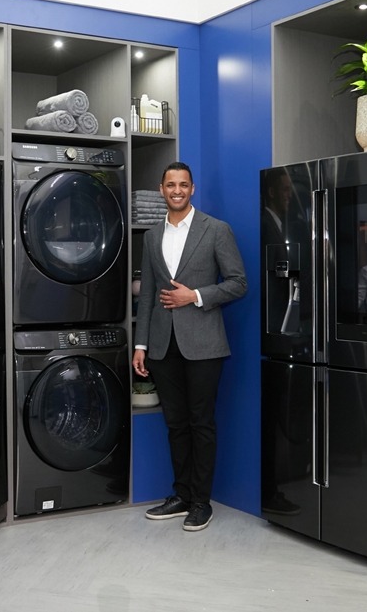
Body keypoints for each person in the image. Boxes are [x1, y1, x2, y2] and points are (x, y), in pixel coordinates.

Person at [132, 162, 248, 532]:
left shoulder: (216, 230)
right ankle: (181, 495)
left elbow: (238, 283)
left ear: (192, 189)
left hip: (204, 346)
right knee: (175, 424)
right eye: (171, 185)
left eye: (183, 184)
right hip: (162, 345)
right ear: (161, 189)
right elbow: (147, 296)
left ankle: (201, 502)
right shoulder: (152, 236)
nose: (177, 190)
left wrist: (194, 295)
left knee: (201, 423)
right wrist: (140, 344)